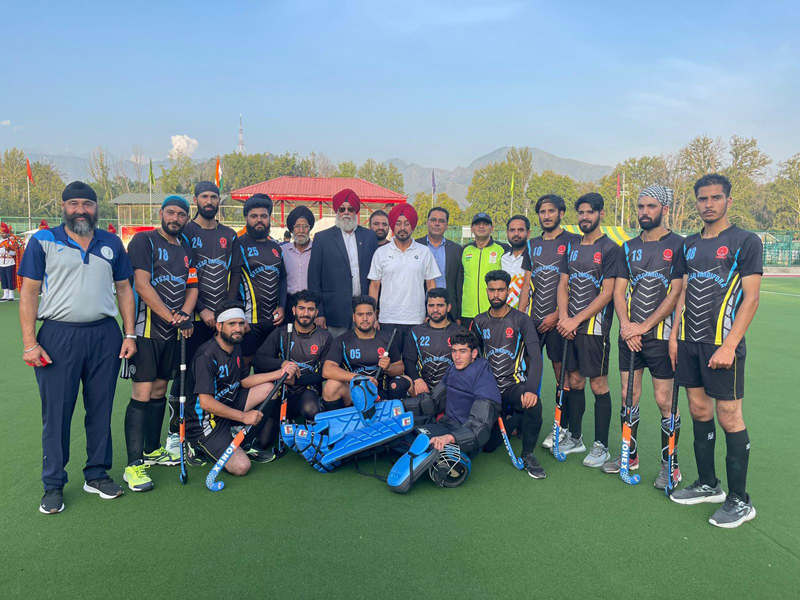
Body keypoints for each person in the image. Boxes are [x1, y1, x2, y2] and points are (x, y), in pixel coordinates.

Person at [19, 181, 137, 513]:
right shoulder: (44, 241)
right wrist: (30, 344)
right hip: (58, 336)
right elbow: (28, 293)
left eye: (87, 203)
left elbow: (125, 290)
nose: (81, 210)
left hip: (104, 335)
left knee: (100, 409)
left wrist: (130, 335)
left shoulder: (111, 242)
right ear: (63, 206)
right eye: (74, 204)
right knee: (56, 413)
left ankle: (97, 474)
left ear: (96, 208)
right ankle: (53, 484)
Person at [669, 174, 762, 528]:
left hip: (723, 344)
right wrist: (675, 336)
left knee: (729, 416)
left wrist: (730, 344)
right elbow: (682, 293)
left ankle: (740, 500)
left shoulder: (744, 241)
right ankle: (708, 483)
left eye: (715, 198)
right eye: (702, 199)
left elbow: (751, 298)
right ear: (696, 203)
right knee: (698, 409)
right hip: (690, 342)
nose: (708, 204)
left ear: (728, 201)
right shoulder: (689, 244)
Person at [604, 185, 685, 488]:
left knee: (665, 400)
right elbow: (619, 291)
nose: (644, 212)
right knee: (629, 396)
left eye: (650, 206)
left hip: (662, 338)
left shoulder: (680, 245)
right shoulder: (628, 247)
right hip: (631, 336)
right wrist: (627, 326)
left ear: (664, 209)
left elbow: (676, 293)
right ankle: (630, 456)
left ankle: (671, 466)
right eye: (640, 206)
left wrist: (643, 327)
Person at [124, 195, 198, 492]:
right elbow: (141, 285)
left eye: (181, 214)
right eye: (171, 212)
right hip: (147, 331)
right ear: (161, 213)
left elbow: (193, 287)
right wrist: (171, 316)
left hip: (172, 332)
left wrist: (185, 315)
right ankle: (133, 466)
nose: (175, 218)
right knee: (142, 393)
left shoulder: (187, 248)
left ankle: (152, 450)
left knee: (159, 389)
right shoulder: (144, 241)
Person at [165, 181, 236, 458]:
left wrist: (226, 313)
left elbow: (235, 277)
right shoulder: (185, 232)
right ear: (195, 199)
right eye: (204, 196)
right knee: (184, 377)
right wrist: (201, 310)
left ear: (219, 201)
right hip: (194, 319)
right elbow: (183, 277)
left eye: (214, 196)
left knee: (224, 374)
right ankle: (176, 433)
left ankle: (217, 427)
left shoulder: (229, 235)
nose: (209, 200)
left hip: (223, 322)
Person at [186, 300, 291, 476]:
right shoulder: (206, 356)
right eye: (232, 324)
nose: (238, 329)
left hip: (229, 404)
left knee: (268, 389)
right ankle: (195, 443)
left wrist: (279, 373)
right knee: (242, 467)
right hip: (206, 421)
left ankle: (245, 442)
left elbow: (244, 380)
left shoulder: (235, 346)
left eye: (241, 323)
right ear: (219, 326)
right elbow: (206, 403)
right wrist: (244, 416)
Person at [556, 192, 621, 467]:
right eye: (581, 212)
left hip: (594, 330)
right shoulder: (571, 246)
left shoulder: (610, 248)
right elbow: (563, 285)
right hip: (569, 327)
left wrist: (576, 320)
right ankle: (576, 437)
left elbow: (607, 293)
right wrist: (564, 319)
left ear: (600, 214)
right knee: (574, 381)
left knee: (598, 384)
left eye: (590, 212)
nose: (584, 217)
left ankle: (601, 445)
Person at [521, 195, 582, 450]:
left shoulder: (572, 241)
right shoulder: (532, 243)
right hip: (532, 322)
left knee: (563, 375)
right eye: (542, 211)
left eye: (551, 211)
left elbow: (574, 283)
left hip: (558, 322)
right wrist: (521, 316)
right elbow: (526, 283)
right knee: (524, 371)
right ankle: (520, 421)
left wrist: (557, 315)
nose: (546, 215)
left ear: (561, 213)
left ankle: (563, 428)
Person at [471, 270, 546, 478]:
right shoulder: (478, 321)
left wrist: (531, 389)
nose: (496, 294)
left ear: (508, 291)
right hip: (488, 388)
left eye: (501, 290)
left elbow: (536, 357)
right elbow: (473, 359)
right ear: (487, 291)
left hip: (512, 385)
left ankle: (528, 454)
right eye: (492, 290)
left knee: (533, 403)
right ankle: (515, 419)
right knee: (488, 446)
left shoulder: (521, 319)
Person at [252, 290, 333, 454]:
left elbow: (325, 373)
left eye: (310, 309)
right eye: (302, 308)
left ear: (316, 312)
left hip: (307, 390)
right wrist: (282, 363)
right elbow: (258, 359)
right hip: (281, 391)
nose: (306, 313)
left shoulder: (325, 337)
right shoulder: (281, 333)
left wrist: (297, 381)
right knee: (263, 441)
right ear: (294, 310)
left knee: (311, 408)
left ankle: (316, 440)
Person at [404, 329, 501, 454]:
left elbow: (479, 427)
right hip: (445, 425)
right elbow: (431, 401)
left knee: (428, 449)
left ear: (474, 353)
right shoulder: (452, 370)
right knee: (404, 433)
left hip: (463, 434)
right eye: (454, 351)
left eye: (463, 351)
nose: (457, 357)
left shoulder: (482, 375)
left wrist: (450, 438)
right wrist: (400, 406)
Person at [368, 203, 440, 352]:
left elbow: (431, 285)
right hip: (387, 319)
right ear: (393, 226)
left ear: (412, 226)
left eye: (407, 224)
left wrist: (429, 314)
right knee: (389, 363)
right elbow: (374, 286)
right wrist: (373, 315)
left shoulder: (424, 252)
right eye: (398, 223)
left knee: (413, 363)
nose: (402, 228)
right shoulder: (381, 253)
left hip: (417, 319)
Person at [308, 189, 378, 338]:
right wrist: (318, 312)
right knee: (335, 353)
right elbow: (314, 279)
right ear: (337, 212)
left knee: (362, 352)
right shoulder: (322, 238)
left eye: (350, 209)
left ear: (356, 212)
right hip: (334, 310)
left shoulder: (369, 236)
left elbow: (377, 275)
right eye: (342, 209)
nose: (346, 212)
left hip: (364, 309)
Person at [228, 193, 287, 365]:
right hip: (248, 321)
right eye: (254, 216)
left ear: (270, 218)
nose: (259, 220)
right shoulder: (238, 244)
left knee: (270, 364)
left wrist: (282, 307)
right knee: (244, 366)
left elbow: (282, 280)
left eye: (263, 216)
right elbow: (232, 282)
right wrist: (238, 315)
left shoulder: (276, 247)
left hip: (273, 321)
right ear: (246, 218)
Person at [322, 295, 406, 408]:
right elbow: (327, 370)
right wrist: (360, 378)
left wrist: (389, 367)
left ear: (375, 315)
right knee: (331, 386)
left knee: (407, 380)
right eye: (360, 315)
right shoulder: (342, 340)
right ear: (353, 317)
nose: (365, 319)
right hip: (353, 393)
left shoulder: (387, 338)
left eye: (369, 314)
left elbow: (400, 367)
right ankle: (340, 423)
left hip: (382, 392)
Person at [403, 288, 464, 396]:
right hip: (423, 388)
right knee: (398, 384)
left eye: (440, 305)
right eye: (431, 306)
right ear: (426, 307)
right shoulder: (416, 332)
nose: (435, 310)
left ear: (448, 307)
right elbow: (408, 361)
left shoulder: (460, 332)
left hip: (453, 387)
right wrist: (417, 380)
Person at [461, 212, 509, 329]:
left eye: (485, 224)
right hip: (468, 314)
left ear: (492, 228)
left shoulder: (503, 249)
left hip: (494, 312)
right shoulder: (465, 250)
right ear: (472, 228)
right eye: (477, 224)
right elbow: (459, 281)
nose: (481, 226)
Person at [416, 206, 464, 323]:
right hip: (420, 310)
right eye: (433, 220)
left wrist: (458, 315)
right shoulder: (415, 246)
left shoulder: (456, 249)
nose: (437, 224)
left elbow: (459, 284)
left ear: (447, 225)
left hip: (449, 311)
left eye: (441, 221)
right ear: (427, 222)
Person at [282, 206, 315, 316]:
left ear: (310, 229)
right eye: (297, 226)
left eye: (305, 226)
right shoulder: (283, 251)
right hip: (289, 303)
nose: (301, 230)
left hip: (311, 303)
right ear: (292, 229)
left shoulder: (317, 250)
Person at [501, 214, 532, 310]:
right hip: (506, 317)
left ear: (528, 233)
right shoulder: (503, 258)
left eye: (520, 230)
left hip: (528, 317)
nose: (516, 234)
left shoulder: (534, 258)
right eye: (512, 230)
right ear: (507, 233)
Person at [0, 222, 18, 301]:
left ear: (7, 233)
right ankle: (5, 294)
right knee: (3, 279)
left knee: (10, 279)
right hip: (1, 262)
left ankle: (11, 295)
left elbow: (15, 252)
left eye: (3, 233)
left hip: (10, 262)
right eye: (1, 233)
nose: (2, 234)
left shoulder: (11, 241)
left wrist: (9, 250)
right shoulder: (0, 242)